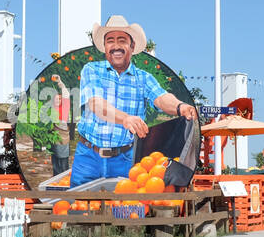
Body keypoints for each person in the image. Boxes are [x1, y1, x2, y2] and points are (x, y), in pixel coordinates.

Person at [70, 15, 197, 187]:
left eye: (122, 40)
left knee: (124, 210)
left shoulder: (144, 78)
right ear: (105, 47)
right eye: (110, 41)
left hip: (125, 160)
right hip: (88, 158)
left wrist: (179, 106)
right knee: (78, 209)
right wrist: (126, 119)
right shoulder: (92, 69)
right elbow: (96, 105)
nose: (116, 46)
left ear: (132, 46)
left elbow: (161, 98)